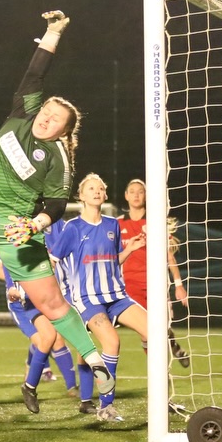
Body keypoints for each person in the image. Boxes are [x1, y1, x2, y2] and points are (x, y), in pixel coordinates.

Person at [0, 10, 114, 410]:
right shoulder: (21, 114)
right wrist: (53, 32)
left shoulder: (58, 159)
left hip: (15, 230)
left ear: (65, 131)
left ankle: (95, 360)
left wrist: (35, 224)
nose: (47, 119)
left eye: (56, 120)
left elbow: (56, 205)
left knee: (52, 304)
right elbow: (34, 75)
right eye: (46, 112)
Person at [44, 173, 150, 422]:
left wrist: (129, 250)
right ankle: (106, 406)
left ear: (105, 194)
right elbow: (53, 261)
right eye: (91, 188)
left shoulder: (112, 225)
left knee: (154, 331)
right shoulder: (72, 228)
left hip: (117, 295)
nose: (97, 191)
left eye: (100, 188)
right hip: (88, 299)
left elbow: (113, 261)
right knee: (112, 343)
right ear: (81, 196)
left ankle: (162, 397)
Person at [118, 178, 190, 368]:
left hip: (156, 284)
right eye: (132, 191)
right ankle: (160, 373)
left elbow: (168, 255)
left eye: (140, 191)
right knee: (146, 331)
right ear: (126, 196)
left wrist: (179, 285)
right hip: (130, 287)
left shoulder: (155, 222)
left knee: (161, 326)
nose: (136, 195)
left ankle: (173, 346)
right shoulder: (117, 224)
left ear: (146, 196)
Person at [0, 257, 80, 399]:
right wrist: (20, 282)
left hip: (42, 298)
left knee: (57, 339)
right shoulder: (9, 245)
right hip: (21, 303)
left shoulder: (45, 244)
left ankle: (72, 387)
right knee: (42, 340)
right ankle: (30, 380)